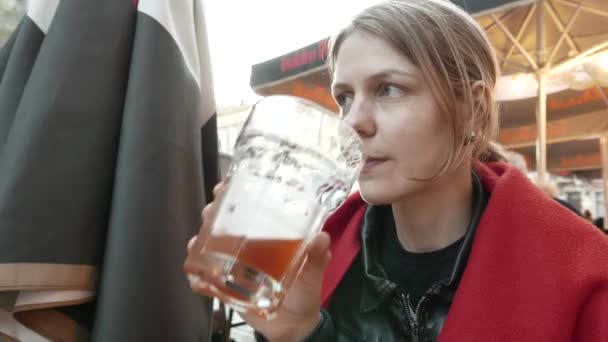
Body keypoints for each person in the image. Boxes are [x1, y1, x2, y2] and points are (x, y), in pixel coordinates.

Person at [187, 0, 608, 340]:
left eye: (389, 89)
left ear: (474, 109)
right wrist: (295, 333)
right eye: (345, 97)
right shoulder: (309, 253)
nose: (353, 124)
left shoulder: (582, 273)